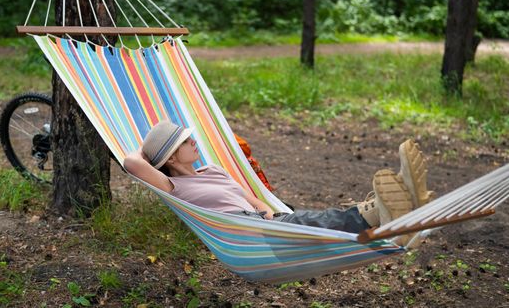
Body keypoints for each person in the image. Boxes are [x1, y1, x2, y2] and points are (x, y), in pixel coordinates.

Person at [123, 121, 433, 236]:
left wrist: (271, 213)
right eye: (185, 142)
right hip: (242, 232)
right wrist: (151, 149)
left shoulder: (212, 170)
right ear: (171, 158)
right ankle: (382, 209)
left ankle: (397, 204)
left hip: (262, 220)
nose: (194, 142)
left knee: (313, 221)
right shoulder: (173, 185)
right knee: (316, 222)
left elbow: (250, 197)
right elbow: (131, 162)